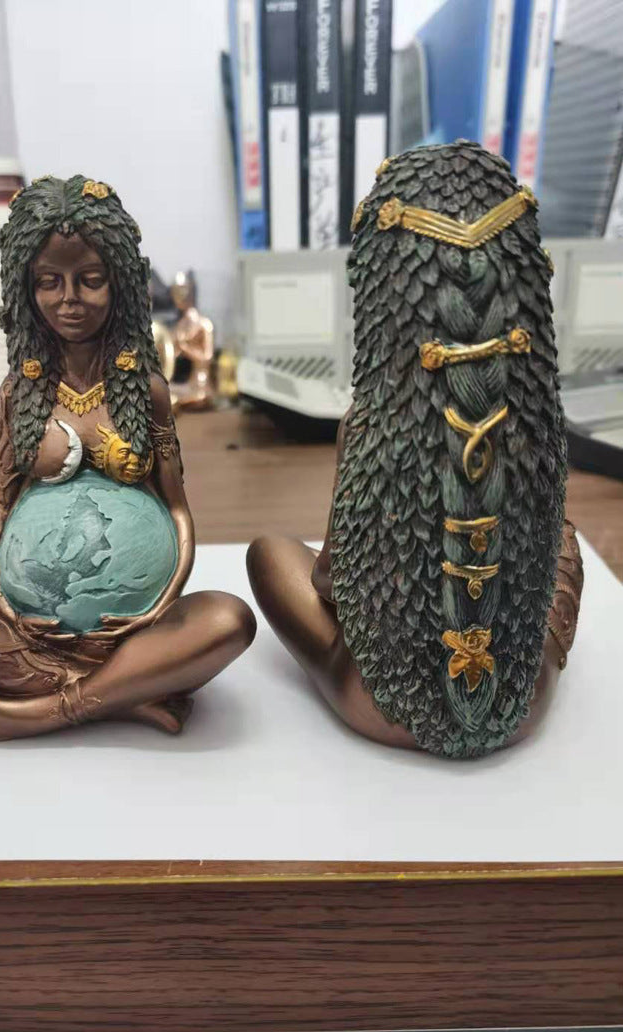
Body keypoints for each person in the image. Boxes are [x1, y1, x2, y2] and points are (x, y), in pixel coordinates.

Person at [0, 175, 255, 741]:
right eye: (49, 282)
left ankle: (44, 707)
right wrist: (0, 596)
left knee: (229, 619)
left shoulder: (147, 390)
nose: (68, 299)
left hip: (134, 627)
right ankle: (133, 690)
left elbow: (177, 508)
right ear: (24, 289)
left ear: (121, 284)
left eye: (90, 280)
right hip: (33, 625)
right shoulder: (18, 394)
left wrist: (159, 607)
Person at [248, 142, 583, 758]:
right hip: (522, 705)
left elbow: (327, 580)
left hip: (376, 704)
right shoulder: (540, 426)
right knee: (563, 536)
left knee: (268, 554)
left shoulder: (367, 425)